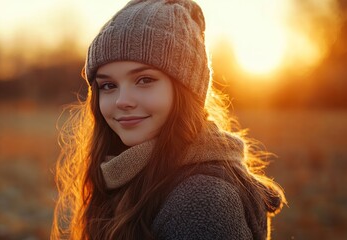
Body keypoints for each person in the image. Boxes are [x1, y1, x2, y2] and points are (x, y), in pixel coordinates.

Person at [52, 0, 286, 239]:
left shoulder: (202, 200)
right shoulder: (130, 173)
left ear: (185, 90)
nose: (122, 100)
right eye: (109, 85)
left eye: (144, 80)